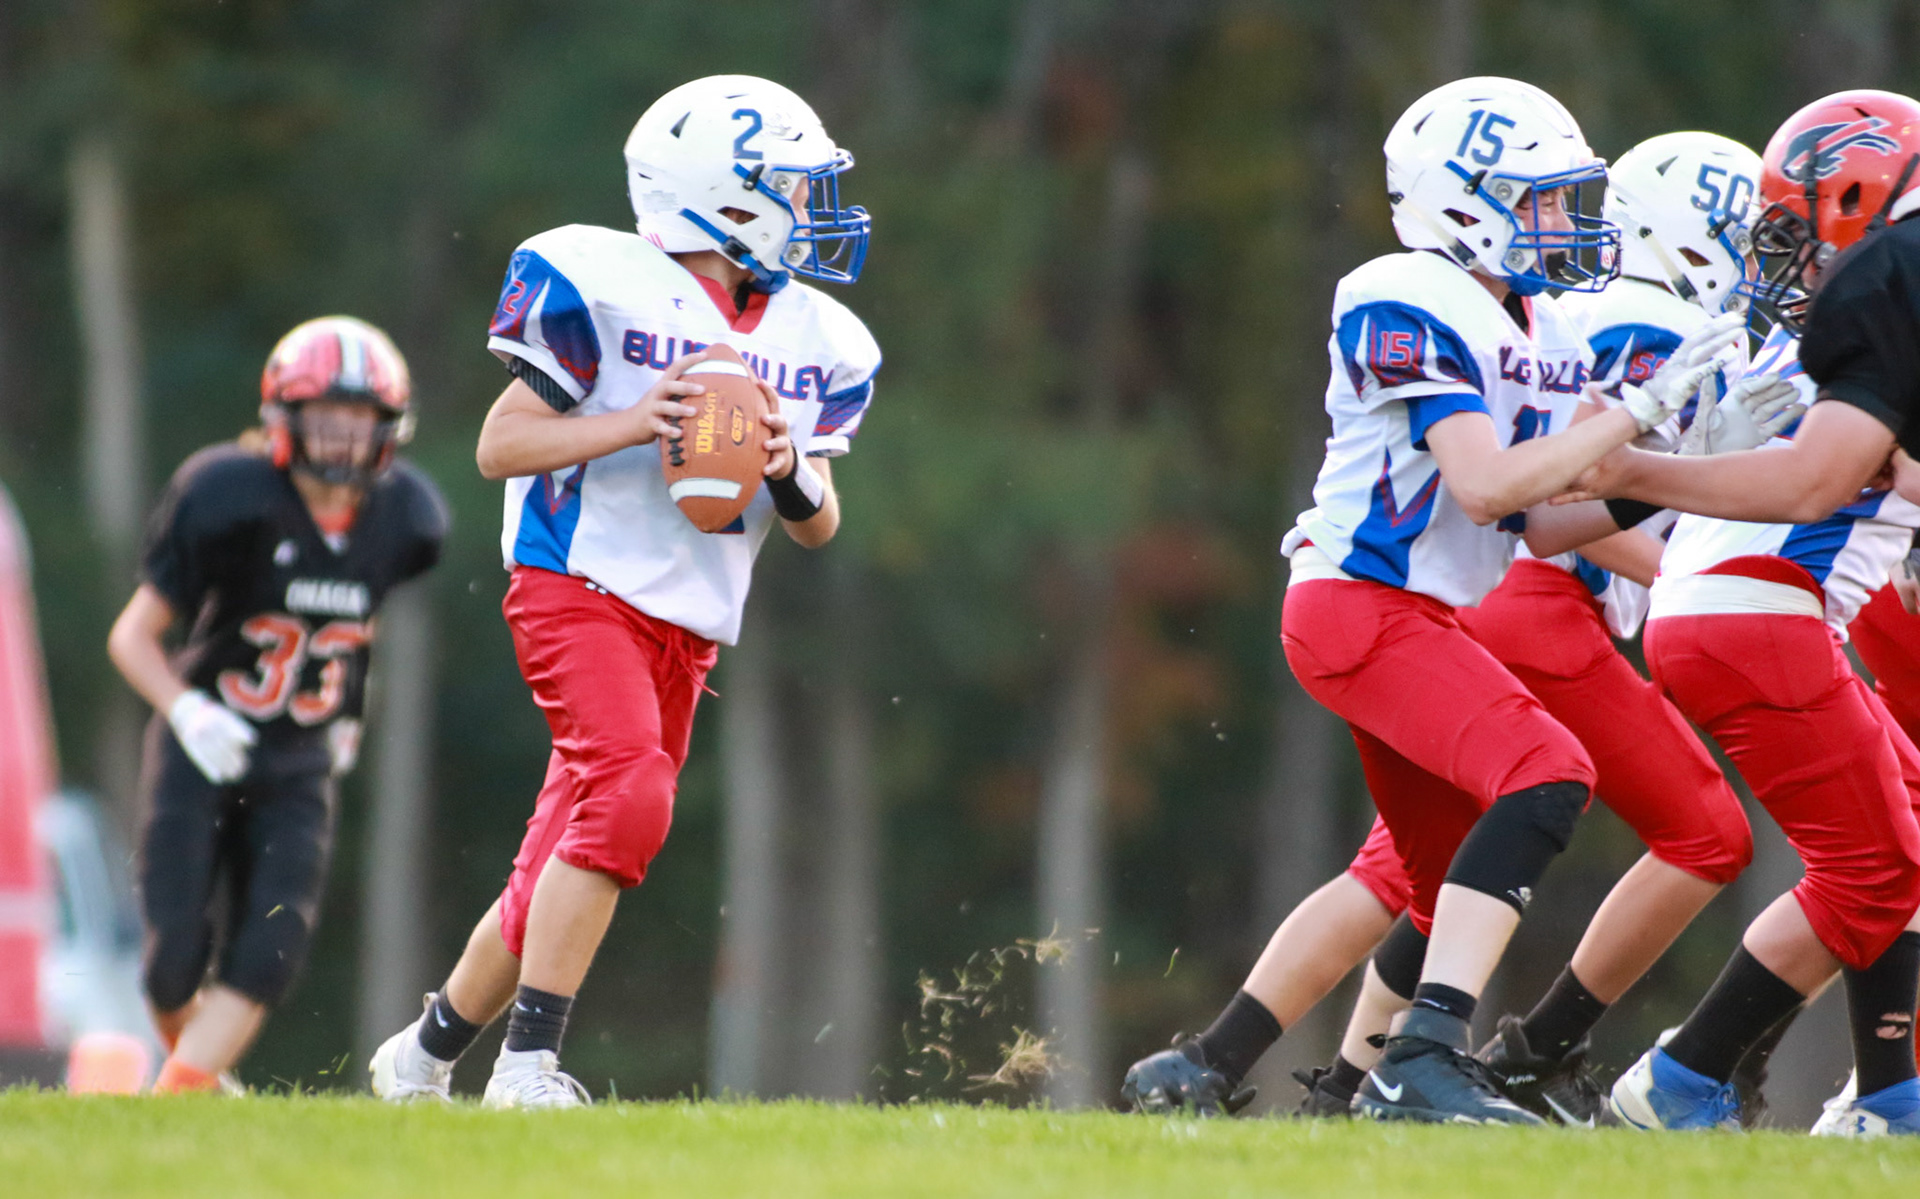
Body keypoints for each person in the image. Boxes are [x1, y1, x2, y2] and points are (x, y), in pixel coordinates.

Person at [1122, 130, 1779, 1124]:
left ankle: (1204, 1067)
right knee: (1550, 773)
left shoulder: (1537, 326)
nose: (1567, 227)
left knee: (1436, 884)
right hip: (1363, 603)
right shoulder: (1409, 293)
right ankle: (1423, 1054)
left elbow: (1543, 521)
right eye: (1543, 202)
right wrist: (1637, 414)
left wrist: (1665, 484)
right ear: (1463, 203)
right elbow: (1482, 488)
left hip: (1416, 610)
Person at [368, 74, 878, 1109]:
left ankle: (420, 1055)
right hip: (574, 580)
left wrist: (787, 466)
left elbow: (820, 527)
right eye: (789, 183)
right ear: (723, 198)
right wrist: (638, 419)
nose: (811, 205)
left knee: (567, 847)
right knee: (633, 797)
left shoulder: (819, 336)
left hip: (687, 622)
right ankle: (528, 1065)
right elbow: (498, 444)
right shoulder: (602, 281)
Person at [1583, 90, 1920, 1137]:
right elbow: (1820, 480)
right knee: (1879, 869)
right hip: (1760, 610)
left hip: (1742, 606)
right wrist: (1638, 466)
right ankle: (1683, 1078)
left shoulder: (1877, 291)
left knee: (1896, 843)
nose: (1795, 254)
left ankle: (1892, 1097)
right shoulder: (1892, 287)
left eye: (1795, 222)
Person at [107, 316, 447, 1093]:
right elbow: (132, 637)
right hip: (205, 743)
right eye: (326, 417)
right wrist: (187, 711)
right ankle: (200, 1080)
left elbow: (359, 615)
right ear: (283, 418)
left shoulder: (406, 516)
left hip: (299, 757)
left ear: (387, 429)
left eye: (359, 421)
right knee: (171, 965)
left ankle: (180, 1097)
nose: (342, 439)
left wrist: (354, 706)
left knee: (272, 946)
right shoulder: (227, 494)